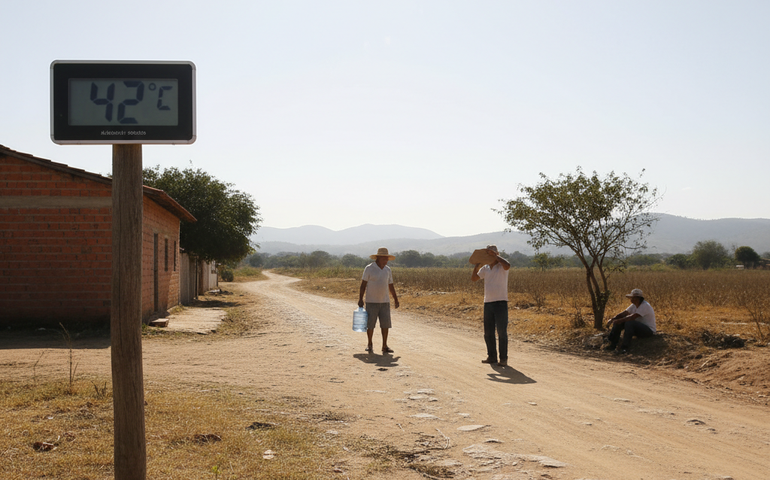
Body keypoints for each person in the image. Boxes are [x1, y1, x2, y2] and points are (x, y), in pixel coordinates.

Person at [471, 245, 511, 367]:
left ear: (497, 253)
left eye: (493, 253)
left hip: (501, 302)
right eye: (488, 253)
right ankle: (492, 357)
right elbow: (474, 279)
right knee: (488, 332)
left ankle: (503, 359)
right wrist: (476, 266)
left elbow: (508, 265)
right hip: (488, 302)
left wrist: (496, 256)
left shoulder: (502, 266)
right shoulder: (485, 268)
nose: (490, 255)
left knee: (501, 332)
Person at [358, 247, 400, 354]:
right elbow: (363, 285)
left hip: (385, 302)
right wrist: (360, 299)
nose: (386, 261)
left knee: (385, 325)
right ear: (378, 258)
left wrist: (395, 299)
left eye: (387, 259)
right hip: (371, 301)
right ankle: (369, 344)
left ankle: (384, 346)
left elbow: (391, 286)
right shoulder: (369, 268)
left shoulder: (388, 270)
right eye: (384, 259)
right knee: (370, 324)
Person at [604, 288, 656, 354]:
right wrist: (613, 319)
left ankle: (625, 347)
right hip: (638, 328)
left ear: (638, 298)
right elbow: (624, 313)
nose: (631, 299)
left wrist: (619, 320)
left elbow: (632, 317)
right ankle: (612, 344)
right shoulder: (634, 305)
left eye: (632, 297)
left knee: (629, 323)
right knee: (620, 322)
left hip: (648, 331)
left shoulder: (645, 306)